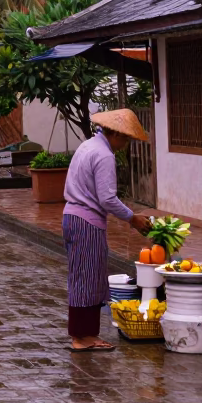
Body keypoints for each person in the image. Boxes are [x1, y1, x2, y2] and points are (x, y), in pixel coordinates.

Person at [62, 109, 152, 352]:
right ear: (115, 134)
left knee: (86, 276)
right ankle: (82, 337)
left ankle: (87, 334)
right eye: (125, 139)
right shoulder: (104, 155)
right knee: (87, 279)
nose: (125, 144)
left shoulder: (88, 146)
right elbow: (108, 199)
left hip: (72, 216)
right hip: (86, 221)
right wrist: (132, 218)